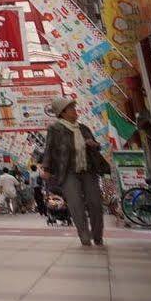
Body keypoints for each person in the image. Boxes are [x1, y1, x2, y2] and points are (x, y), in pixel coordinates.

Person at [41, 97, 110, 247]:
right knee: (76, 203)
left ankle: (98, 236)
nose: (74, 110)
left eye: (74, 107)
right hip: (68, 171)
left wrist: (94, 144)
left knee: (95, 202)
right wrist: (46, 168)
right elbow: (49, 149)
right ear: (62, 113)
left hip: (88, 169)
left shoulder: (83, 128)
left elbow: (96, 146)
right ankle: (84, 236)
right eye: (70, 108)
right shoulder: (55, 129)